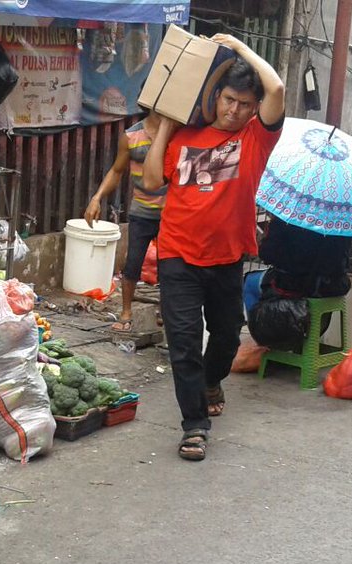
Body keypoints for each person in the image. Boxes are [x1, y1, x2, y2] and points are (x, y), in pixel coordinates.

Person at [142, 34, 285, 462]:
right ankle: (194, 426)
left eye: (244, 103)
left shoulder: (256, 138)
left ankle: (211, 379)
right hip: (177, 255)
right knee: (183, 343)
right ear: (215, 96)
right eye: (228, 99)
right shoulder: (185, 137)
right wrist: (167, 124)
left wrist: (238, 48)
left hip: (226, 258)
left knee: (225, 337)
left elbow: (275, 88)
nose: (234, 110)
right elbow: (150, 183)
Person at [84, 110, 166, 332]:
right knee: (132, 264)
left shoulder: (176, 132)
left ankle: (167, 311)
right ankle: (126, 312)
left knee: (171, 267)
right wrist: (96, 198)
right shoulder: (131, 136)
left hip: (172, 212)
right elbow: (117, 170)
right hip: (142, 210)